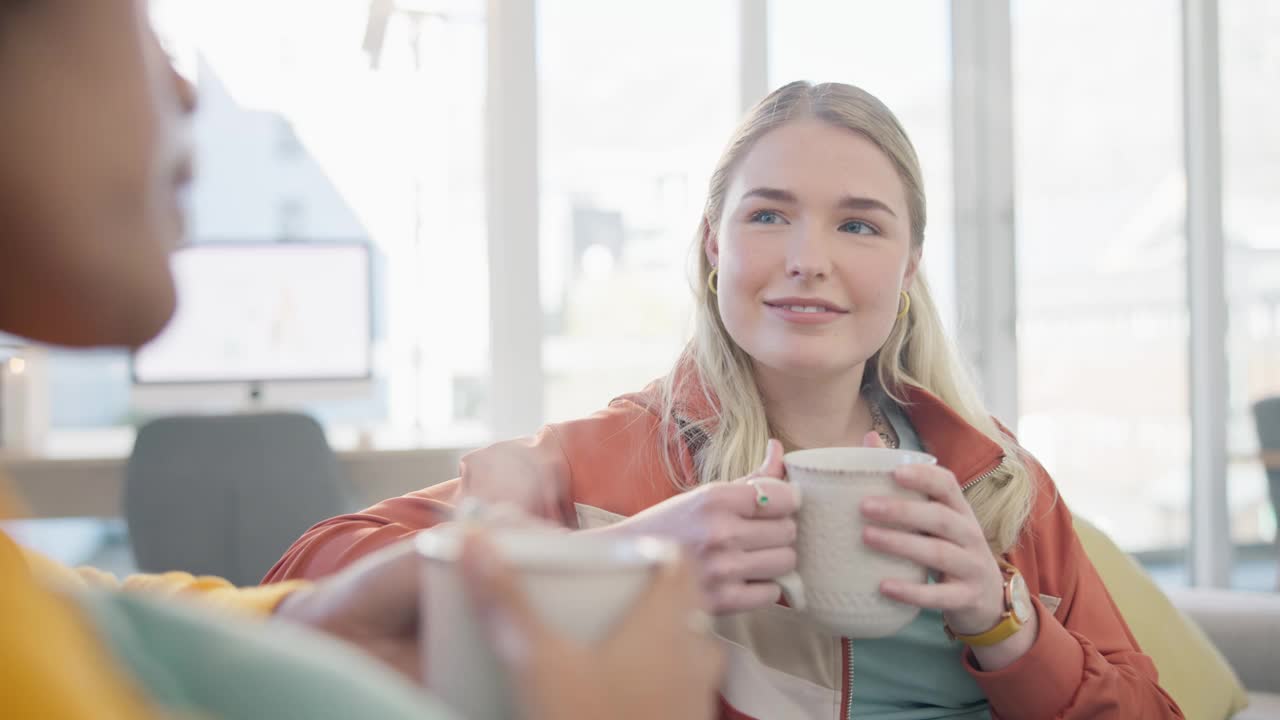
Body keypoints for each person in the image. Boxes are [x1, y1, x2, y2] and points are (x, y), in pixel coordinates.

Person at [269, 80, 1186, 719]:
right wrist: (627, 558)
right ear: (713, 247)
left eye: (858, 224)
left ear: (908, 268)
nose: (806, 259)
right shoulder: (603, 459)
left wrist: (1005, 622)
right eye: (768, 214)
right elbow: (301, 586)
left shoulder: (995, 479)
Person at [0, 1, 722, 718]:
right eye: (134, 17)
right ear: (712, 247)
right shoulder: (611, 443)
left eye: (845, 222)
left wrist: (296, 623)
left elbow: (64, 607)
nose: (184, 87)